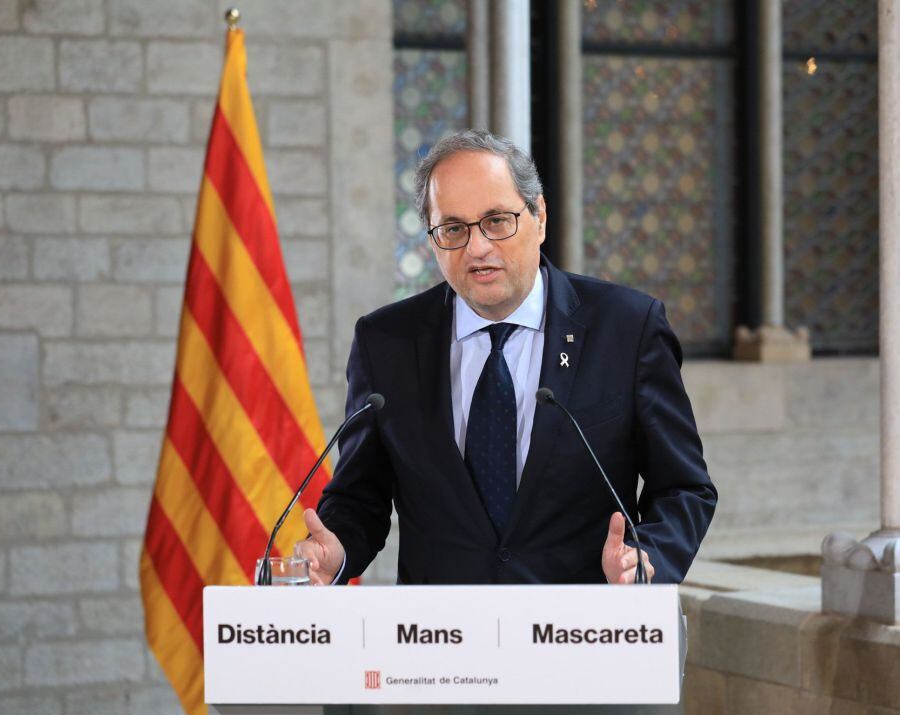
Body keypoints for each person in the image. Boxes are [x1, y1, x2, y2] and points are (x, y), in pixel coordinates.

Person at [294, 129, 715, 585]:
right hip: (439, 642)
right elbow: (361, 498)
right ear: (433, 239)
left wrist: (647, 558)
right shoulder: (386, 342)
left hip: (581, 637)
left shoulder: (627, 328)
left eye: (497, 220)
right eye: (453, 228)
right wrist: (336, 550)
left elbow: (683, 488)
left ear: (540, 218)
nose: (477, 248)